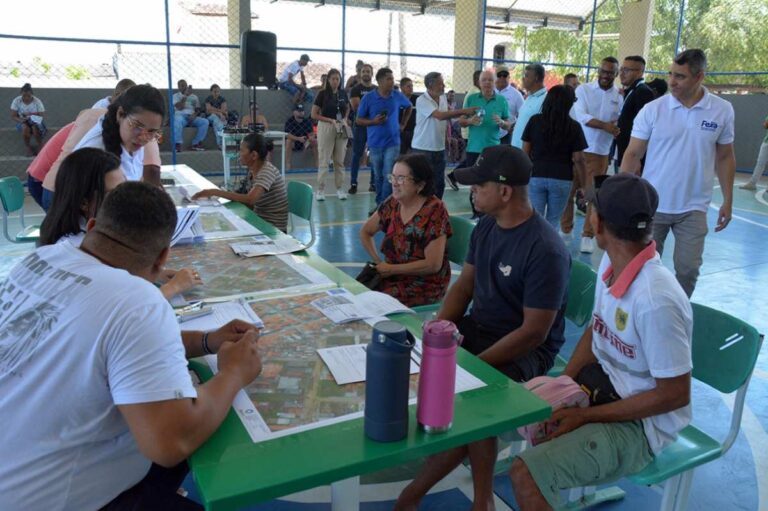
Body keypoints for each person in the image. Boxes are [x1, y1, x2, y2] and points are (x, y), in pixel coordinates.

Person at [0, 181, 263, 510]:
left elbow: (105, 348)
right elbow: (171, 441)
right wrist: (234, 373)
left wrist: (205, 340)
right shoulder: (138, 301)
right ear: (164, 256)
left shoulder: (42, 258)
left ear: (93, 226)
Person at [395, 145, 569, 511]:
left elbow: (534, 333)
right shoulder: (488, 226)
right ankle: (469, 494)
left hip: (525, 349)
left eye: (479, 185)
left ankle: (452, 497)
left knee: (474, 400)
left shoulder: (545, 249)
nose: (471, 191)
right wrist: (440, 329)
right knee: (418, 363)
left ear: (505, 192)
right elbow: (464, 287)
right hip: (482, 328)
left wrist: (474, 366)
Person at [510, 174, 692, 511]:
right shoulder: (612, 262)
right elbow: (597, 329)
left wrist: (587, 417)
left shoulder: (656, 299)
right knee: (509, 412)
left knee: (526, 473)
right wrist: (566, 382)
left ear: (598, 221)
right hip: (602, 391)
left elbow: (674, 394)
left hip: (641, 428)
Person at [621, 49, 736, 297]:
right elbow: (632, 154)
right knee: (643, 267)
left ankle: (679, 311)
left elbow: (725, 156)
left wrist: (728, 199)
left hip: (694, 207)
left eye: (680, 76)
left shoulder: (722, 110)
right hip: (653, 205)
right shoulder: (653, 110)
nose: (672, 81)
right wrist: (620, 194)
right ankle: (644, 312)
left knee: (688, 269)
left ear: (699, 77)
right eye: (671, 74)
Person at [39, 147, 203, 299]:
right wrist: (174, 287)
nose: (126, 198)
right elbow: (125, 305)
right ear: (84, 203)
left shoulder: (86, 236)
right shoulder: (77, 246)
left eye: (125, 186)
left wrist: (154, 273)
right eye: (115, 192)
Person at [359, 154, 452, 307]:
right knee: (357, 293)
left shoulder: (434, 210)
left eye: (401, 178)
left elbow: (433, 265)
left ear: (420, 185)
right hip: (393, 275)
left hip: (425, 284)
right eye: (393, 177)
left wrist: (392, 269)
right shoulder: (393, 202)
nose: (395, 183)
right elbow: (365, 232)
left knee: (373, 304)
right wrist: (378, 262)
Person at [565, 56, 622, 254]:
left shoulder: (619, 96)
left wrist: (613, 128)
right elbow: (582, 117)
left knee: (593, 195)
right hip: (578, 150)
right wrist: (607, 126)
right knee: (569, 191)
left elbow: (619, 123)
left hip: (601, 153)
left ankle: (587, 235)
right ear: (598, 70)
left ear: (616, 74)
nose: (605, 75)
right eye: (603, 71)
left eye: (610, 72)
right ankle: (566, 230)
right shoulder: (583, 90)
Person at [193, 133, 288, 232]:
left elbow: (250, 199)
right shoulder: (254, 170)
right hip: (259, 220)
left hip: (273, 228)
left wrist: (216, 192)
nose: (239, 153)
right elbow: (249, 203)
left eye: (242, 150)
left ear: (254, 155)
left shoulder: (266, 172)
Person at [522, 85, 588, 228]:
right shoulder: (574, 126)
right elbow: (579, 159)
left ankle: (534, 248)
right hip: (562, 178)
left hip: (536, 175)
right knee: (553, 221)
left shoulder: (535, 121)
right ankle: (549, 248)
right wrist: (584, 185)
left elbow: (525, 152)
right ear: (569, 103)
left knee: (535, 219)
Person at [72, 85, 165, 183]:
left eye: (152, 131)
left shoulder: (131, 140)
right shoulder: (94, 153)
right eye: (137, 125)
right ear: (120, 114)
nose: (143, 137)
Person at [453, 69, 512, 215]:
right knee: (475, 184)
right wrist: (469, 121)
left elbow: (508, 124)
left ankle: (489, 214)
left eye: (490, 80)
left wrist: (502, 123)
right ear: (479, 82)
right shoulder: (472, 99)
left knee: (492, 183)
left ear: (495, 83)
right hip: (474, 148)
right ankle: (476, 213)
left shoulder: (501, 100)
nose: (487, 83)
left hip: (493, 149)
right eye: (484, 80)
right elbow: (460, 121)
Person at [411, 72, 477, 198]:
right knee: (424, 184)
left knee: (439, 183)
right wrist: (464, 111)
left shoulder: (442, 98)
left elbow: (447, 116)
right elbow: (440, 116)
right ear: (430, 85)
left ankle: (437, 211)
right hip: (423, 148)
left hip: (439, 148)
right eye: (440, 84)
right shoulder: (422, 100)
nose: (443, 86)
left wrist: (465, 118)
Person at [356, 67, 413, 205]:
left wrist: (403, 124)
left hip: (393, 143)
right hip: (375, 144)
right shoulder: (368, 98)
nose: (392, 81)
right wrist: (373, 122)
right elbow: (358, 120)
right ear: (380, 81)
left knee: (389, 174)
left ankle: (383, 206)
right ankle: (380, 204)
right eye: (389, 79)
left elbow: (409, 106)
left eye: (392, 78)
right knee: (378, 175)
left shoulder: (397, 95)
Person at [312, 68, 351, 201]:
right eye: (333, 79)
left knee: (339, 160)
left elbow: (348, 107)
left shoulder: (343, 93)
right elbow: (314, 114)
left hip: (341, 126)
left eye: (338, 79)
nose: (335, 81)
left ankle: (340, 188)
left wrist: (345, 118)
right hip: (326, 127)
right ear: (328, 80)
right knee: (324, 159)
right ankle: (320, 189)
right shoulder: (322, 94)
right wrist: (330, 120)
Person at [615, 56, 655, 169]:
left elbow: (644, 128)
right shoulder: (632, 91)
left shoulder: (643, 92)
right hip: (624, 152)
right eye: (621, 69)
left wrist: (637, 160)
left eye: (626, 70)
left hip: (633, 158)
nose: (621, 74)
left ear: (640, 72)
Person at [348, 63, 376, 194]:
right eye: (363, 71)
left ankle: (374, 183)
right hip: (360, 126)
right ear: (360, 74)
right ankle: (353, 183)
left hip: (375, 127)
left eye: (368, 71)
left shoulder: (377, 89)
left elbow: (381, 108)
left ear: (372, 74)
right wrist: (373, 110)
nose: (365, 73)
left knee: (375, 155)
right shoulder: (355, 90)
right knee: (357, 155)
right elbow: (357, 109)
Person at [511, 63, 547, 149]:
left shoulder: (546, 99)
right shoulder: (529, 97)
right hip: (516, 151)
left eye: (526, 76)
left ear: (536, 78)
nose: (523, 79)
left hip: (527, 155)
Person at [10, 83, 46, 156]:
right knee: (25, 128)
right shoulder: (16, 101)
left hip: (35, 121)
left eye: (28, 96)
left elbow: (42, 115)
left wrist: (31, 116)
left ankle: (40, 145)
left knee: (34, 128)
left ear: (32, 94)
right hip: (22, 121)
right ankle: (28, 147)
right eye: (24, 96)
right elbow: (13, 116)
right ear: (21, 94)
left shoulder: (37, 101)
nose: (26, 98)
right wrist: (21, 120)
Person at [172, 80, 208, 152]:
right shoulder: (175, 96)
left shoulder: (194, 97)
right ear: (178, 87)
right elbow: (180, 107)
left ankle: (196, 143)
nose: (184, 87)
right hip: (181, 116)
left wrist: (194, 115)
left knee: (205, 122)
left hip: (192, 116)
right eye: (181, 85)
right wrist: (185, 96)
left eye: (185, 85)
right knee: (177, 120)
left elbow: (198, 109)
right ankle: (177, 144)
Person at [495, 65, 524, 145]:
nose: (502, 78)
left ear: (509, 77)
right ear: (495, 77)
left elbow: (523, 114)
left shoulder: (516, 94)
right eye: (499, 75)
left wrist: (514, 126)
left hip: (507, 134)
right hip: (490, 134)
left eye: (505, 75)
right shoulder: (490, 92)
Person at [284, 104, 317, 170]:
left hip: (305, 143)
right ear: (294, 112)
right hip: (294, 142)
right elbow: (287, 134)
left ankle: (318, 166)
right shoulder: (290, 121)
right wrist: (298, 139)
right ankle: (288, 167)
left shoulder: (307, 121)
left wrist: (309, 140)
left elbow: (312, 134)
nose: (301, 113)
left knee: (314, 141)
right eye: (299, 111)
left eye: (302, 111)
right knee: (288, 141)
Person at [739, 113, 768, 190]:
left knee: (760, 163)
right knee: (760, 162)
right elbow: (765, 125)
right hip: (767, 142)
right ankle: (752, 183)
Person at [204, 83, 228, 149]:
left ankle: (219, 144)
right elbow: (208, 111)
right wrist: (219, 113)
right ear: (211, 92)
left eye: (218, 91)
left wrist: (213, 108)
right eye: (214, 91)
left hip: (219, 118)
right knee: (215, 117)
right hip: (210, 117)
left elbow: (223, 110)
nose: (216, 93)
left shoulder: (222, 99)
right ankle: (221, 143)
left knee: (216, 124)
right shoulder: (208, 99)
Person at [399, 77, 417, 154]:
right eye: (408, 86)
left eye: (412, 86)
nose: (411, 88)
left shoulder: (417, 99)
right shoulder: (397, 99)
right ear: (402, 88)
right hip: (400, 131)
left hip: (414, 131)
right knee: (401, 154)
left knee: (412, 155)